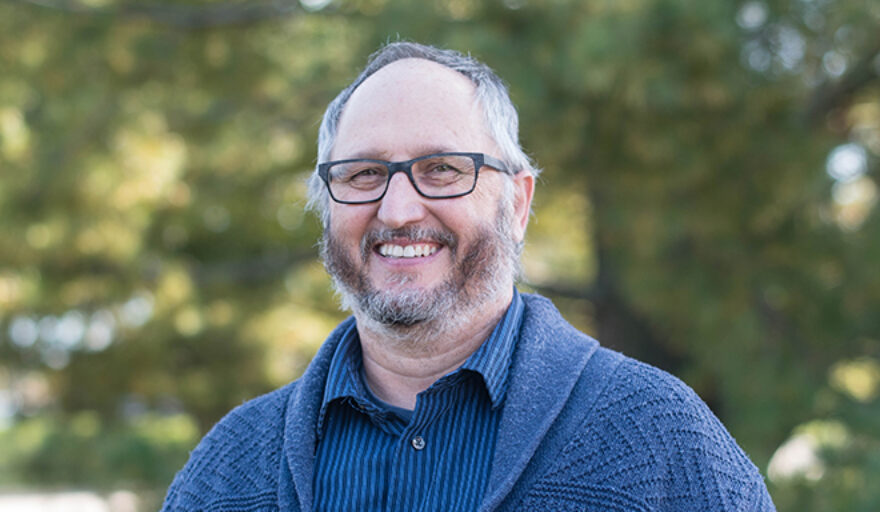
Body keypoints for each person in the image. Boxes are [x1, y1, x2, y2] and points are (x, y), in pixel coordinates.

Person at [161, 42, 775, 511]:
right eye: (363, 174)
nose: (398, 210)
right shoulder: (228, 470)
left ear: (517, 203)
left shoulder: (657, 435)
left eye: (443, 169)